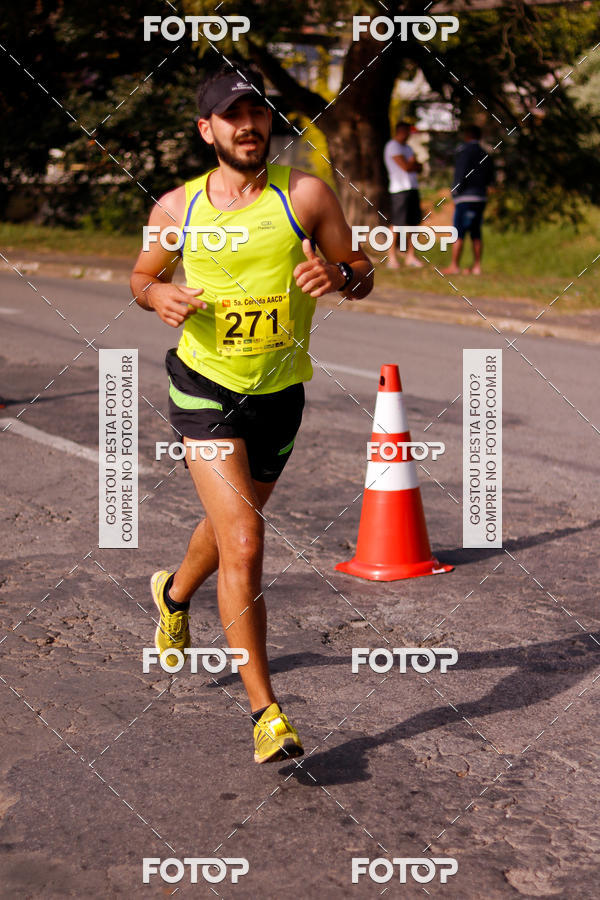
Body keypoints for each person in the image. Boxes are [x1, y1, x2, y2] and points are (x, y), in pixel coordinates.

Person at [130, 63, 373, 764]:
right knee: (244, 542)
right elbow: (143, 275)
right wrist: (158, 298)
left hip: (279, 393)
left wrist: (342, 278)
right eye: (233, 117)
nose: (249, 126)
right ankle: (267, 712)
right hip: (203, 387)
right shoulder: (179, 210)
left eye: (258, 114)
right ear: (206, 129)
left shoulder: (306, 197)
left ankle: (173, 596)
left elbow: (360, 271)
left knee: (229, 524)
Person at [444, 124, 494, 275]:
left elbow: (460, 173)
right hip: (480, 197)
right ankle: (477, 266)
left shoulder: (463, 152)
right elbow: (491, 178)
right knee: (476, 232)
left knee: (459, 232)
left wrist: (455, 193)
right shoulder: (485, 153)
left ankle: (454, 265)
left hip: (465, 197)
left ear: (467, 136)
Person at [383, 120, 423, 269]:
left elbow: (418, 167)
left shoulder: (408, 148)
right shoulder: (392, 146)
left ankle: (410, 257)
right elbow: (406, 166)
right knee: (397, 224)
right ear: (401, 131)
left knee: (413, 224)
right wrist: (413, 164)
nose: (409, 135)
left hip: (412, 187)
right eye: (407, 132)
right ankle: (391, 257)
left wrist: (414, 164)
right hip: (399, 190)